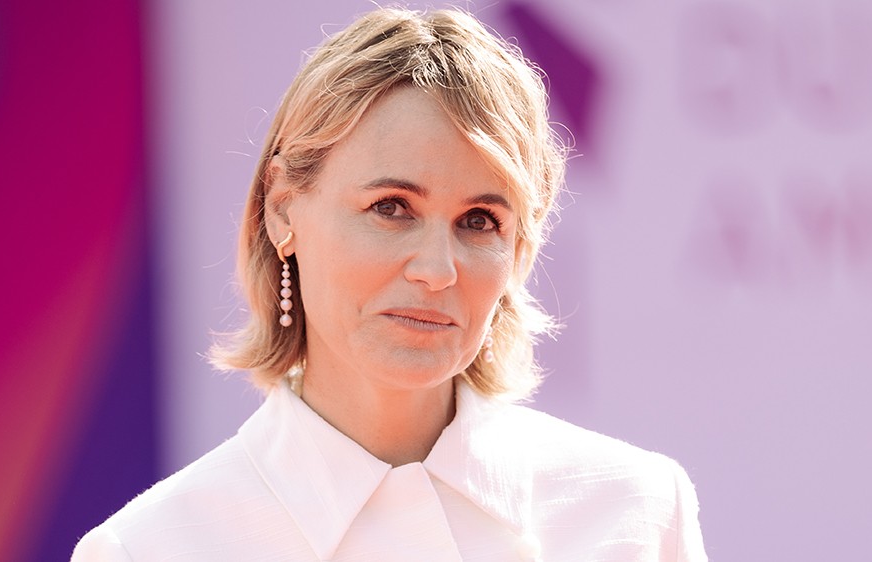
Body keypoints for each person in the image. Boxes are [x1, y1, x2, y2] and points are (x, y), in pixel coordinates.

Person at [73, 7, 707, 561]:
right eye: (392, 207)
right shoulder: (152, 549)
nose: (437, 268)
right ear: (282, 208)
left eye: (479, 221)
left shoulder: (637, 513)